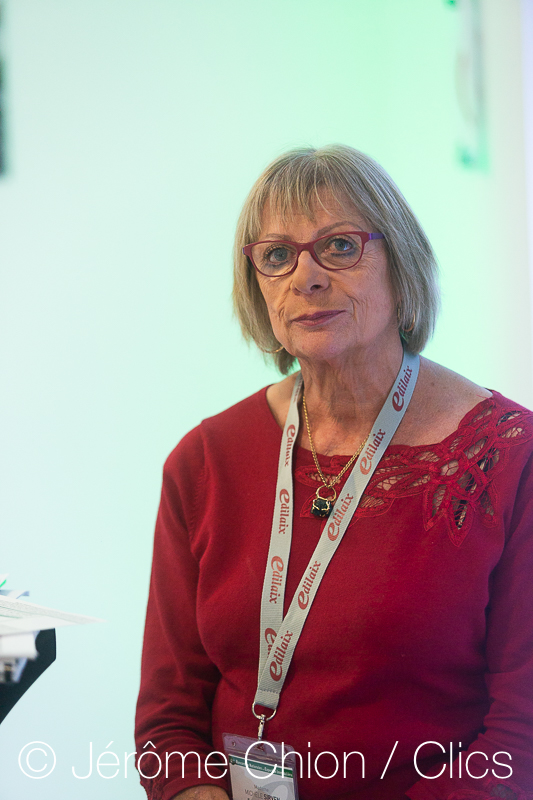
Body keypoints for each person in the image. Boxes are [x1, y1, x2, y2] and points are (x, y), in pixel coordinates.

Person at [135, 145, 533, 800]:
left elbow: (520, 735)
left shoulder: (510, 457)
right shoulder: (203, 461)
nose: (307, 278)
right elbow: (169, 716)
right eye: (276, 256)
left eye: (340, 247)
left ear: (401, 262)